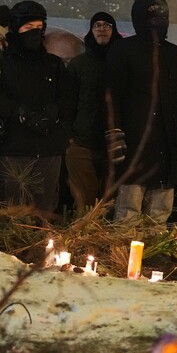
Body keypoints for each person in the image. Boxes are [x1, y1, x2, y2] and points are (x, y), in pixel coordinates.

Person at [0, 0, 76, 216]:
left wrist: (54, 114)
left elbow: (68, 98)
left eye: (39, 28)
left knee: (46, 211)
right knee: (14, 213)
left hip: (49, 149)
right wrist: (22, 113)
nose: (34, 33)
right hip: (15, 149)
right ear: (15, 28)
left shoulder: (53, 64)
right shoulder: (0, 64)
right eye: (28, 27)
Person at [104, 0, 177, 223]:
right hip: (136, 140)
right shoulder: (123, 50)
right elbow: (110, 95)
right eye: (153, 18)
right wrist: (115, 134)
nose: (159, 22)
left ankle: (156, 254)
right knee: (128, 209)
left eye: (162, 17)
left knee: (160, 212)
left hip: (166, 141)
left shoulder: (174, 54)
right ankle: (123, 255)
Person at [65, 11, 122, 211]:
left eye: (107, 25)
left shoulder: (122, 63)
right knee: (83, 204)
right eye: (97, 25)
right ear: (91, 30)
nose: (102, 29)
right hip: (82, 143)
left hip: (114, 145)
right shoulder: (78, 64)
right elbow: (68, 101)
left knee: (111, 205)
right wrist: (70, 135)